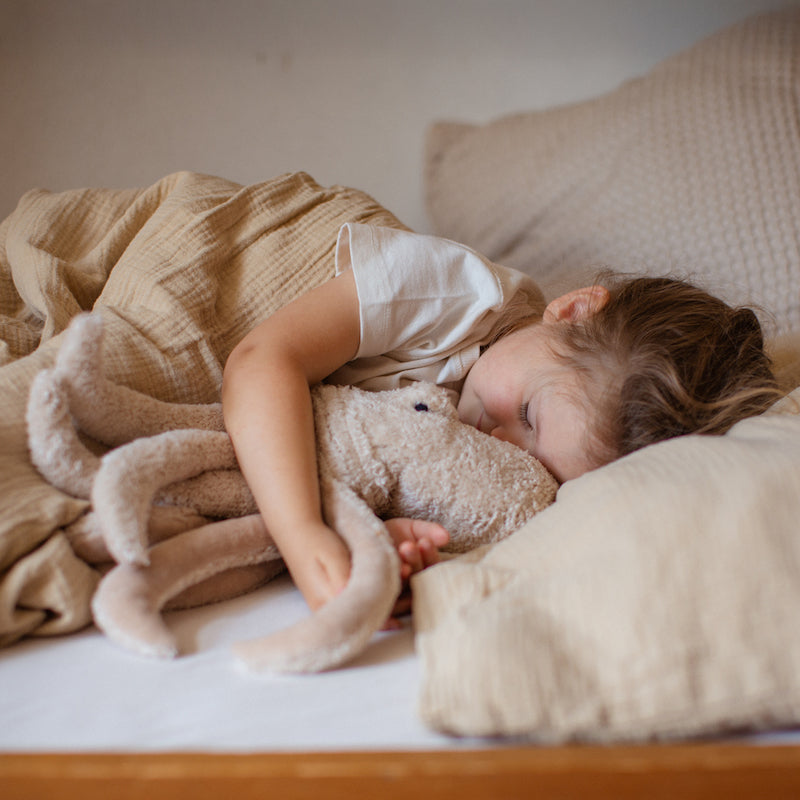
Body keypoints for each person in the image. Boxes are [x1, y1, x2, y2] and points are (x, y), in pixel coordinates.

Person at [222, 223, 780, 617]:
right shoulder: (451, 291)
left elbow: (362, 447)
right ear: (572, 311)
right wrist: (301, 531)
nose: (502, 446)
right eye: (528, 415)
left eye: (540, 467)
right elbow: (261, 360)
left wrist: (373, 535)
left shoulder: (499, 463)